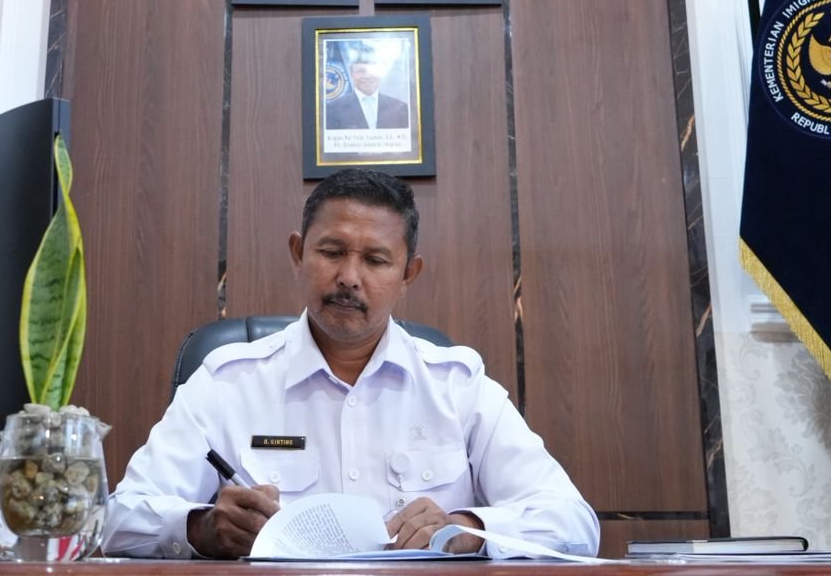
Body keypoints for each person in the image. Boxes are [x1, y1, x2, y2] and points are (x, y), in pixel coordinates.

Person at [103, 170, 599, 559]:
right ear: (298, 253)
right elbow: (119, 519)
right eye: (332, 251)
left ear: (408, 274)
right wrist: (201, 527)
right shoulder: (227, 382)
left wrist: (468, 528)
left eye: (376, 260)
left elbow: (574, 523)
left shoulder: (459, 387)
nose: (349, 277)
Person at [325, 60, 410, 131]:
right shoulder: (332, 109)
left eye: (373, 70)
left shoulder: (400, 108)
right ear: (351, 74)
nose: (367, 76)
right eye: (361, 71)